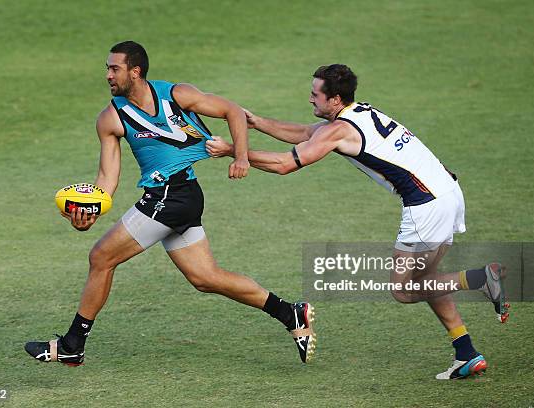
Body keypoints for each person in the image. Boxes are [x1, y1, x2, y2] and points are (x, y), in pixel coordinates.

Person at [205, 64, 509, 379]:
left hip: (426, 206)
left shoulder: (340, 130)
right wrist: (256, 122)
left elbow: (285, 164)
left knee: (404, 289)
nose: (310, 99)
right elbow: (308, 133)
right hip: (447, 192)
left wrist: (233, 150)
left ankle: (480, 279)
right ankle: (466, 352)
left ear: (334, 99)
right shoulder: (357, 112)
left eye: (315, 94)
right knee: (426, 277)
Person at [24, 41, 316, 366]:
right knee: (205, 278)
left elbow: (232, 110)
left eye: (114, 68)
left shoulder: (176, 95)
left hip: (173, 195)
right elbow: (107, 179)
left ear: (135, 71)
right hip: (175, 198)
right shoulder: (111, 118)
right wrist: (91, 210)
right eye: (107, 68)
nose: (107, 75)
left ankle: (72, 344)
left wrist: (242, 157)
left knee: (101, 257)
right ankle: (290, 314)